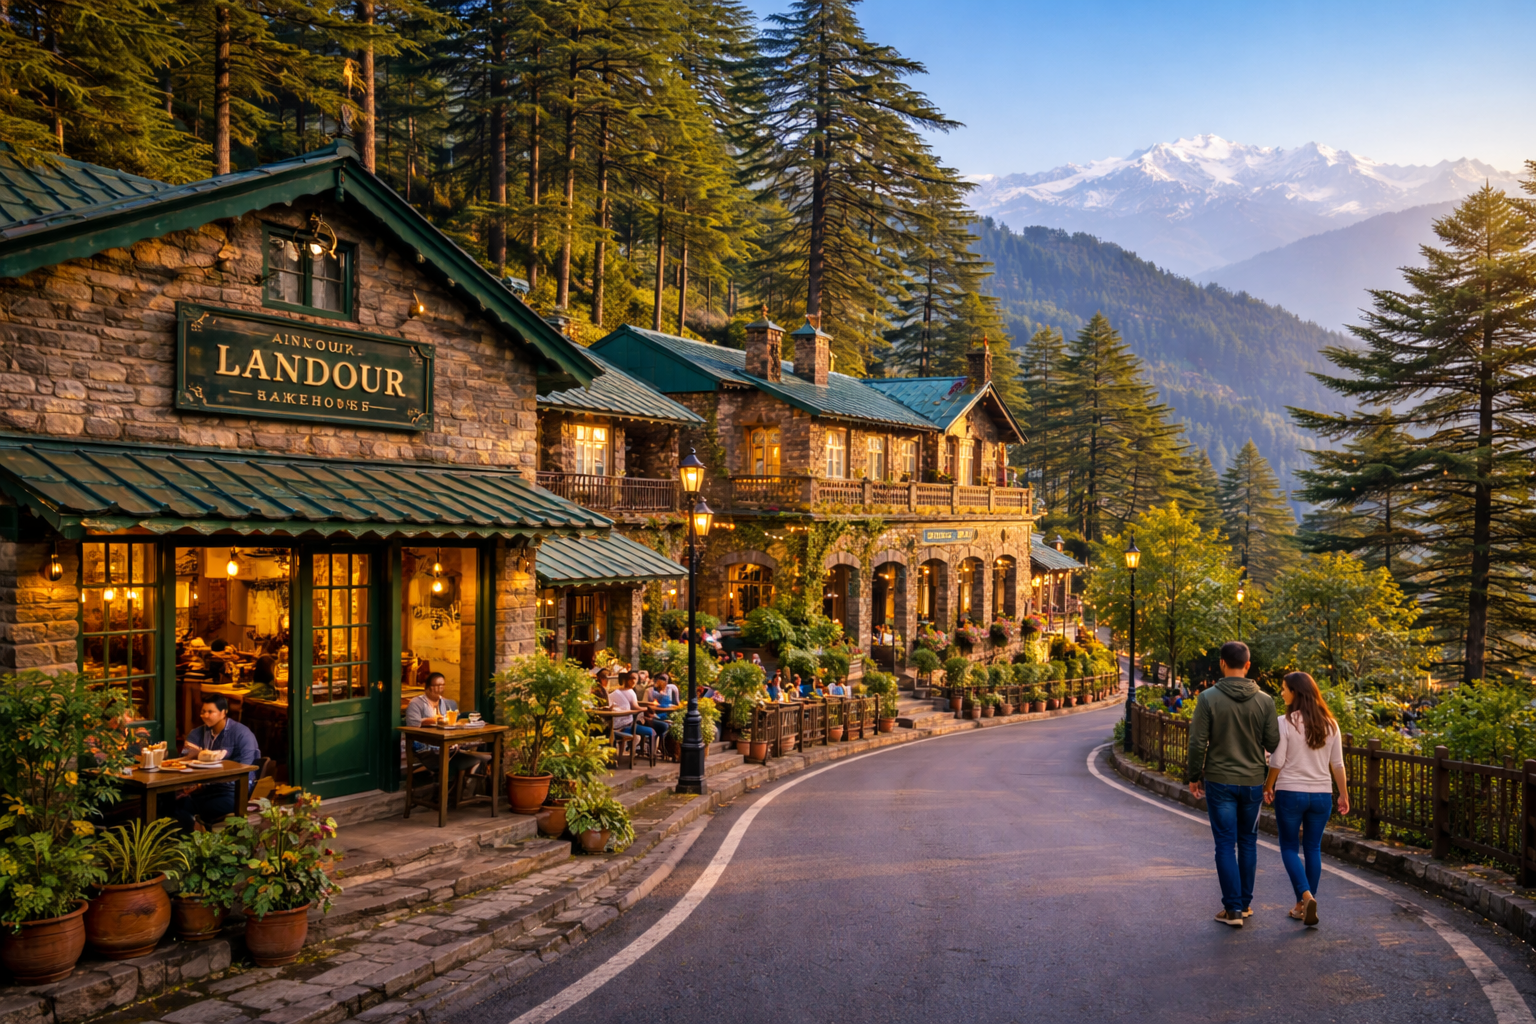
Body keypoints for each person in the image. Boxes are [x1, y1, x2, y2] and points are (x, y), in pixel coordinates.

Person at [1186, 641, 1279, 928]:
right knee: (1248, 842)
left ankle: (1233, 910)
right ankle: (1246, 904)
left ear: (1222, 663)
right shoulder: (1265, 701)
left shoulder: (1208, 698)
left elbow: (1197, 742)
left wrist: (1194, 776)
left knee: (1225, 843)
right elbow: (1273, 742)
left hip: (1220, 781)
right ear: (1248, 665)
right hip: (1252, 782)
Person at [1264, 671, 1349, 928]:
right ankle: (1304, 905)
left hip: (1291, 793)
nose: (1281, 693)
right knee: (1313, 848)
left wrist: (1269, 786)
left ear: (1296, 693)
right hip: (1322, 795)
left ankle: (1305, 897)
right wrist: (1343, 794)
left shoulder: (1285, 722)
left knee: (1289, 847)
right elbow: (1338, 764)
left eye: (1284, 689)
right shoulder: (1331, 724)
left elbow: (1277, 761)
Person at [173, 695, 260, 832]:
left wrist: (204, 783)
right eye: (203, 711)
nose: (205, 715)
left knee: (191, 808)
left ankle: (200, 839)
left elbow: (246, 769)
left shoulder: (242, 734)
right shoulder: (196, 734)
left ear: (223, 712)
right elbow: (184, 758)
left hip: (233, 793)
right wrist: (188, 754)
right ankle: (188, 842)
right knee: (174, 806)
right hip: (204, 792)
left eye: (210, 712)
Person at [405, 672, 489, 774]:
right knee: (476, 759)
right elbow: (413, 724)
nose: (440, 689)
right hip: (425, 745)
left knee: (482, 751)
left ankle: (462, 779)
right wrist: (436, 720)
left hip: (448, 743)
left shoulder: (449, 704)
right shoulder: (416, 703)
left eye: (442, 685)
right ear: (427, 687)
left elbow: (454, 723)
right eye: (436, 686)